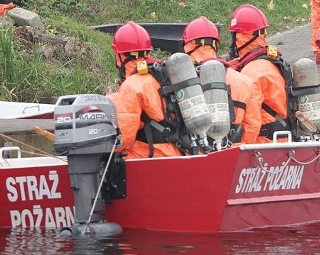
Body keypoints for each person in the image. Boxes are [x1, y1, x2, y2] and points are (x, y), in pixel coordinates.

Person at [182, 16, 262, 145]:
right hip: (233, 152)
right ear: (215, 46)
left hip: (198, 155)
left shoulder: (185, 82)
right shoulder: (245, 81)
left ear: (188, 45)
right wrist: (237, 150)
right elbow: (253, 125)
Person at [108, 21, 182, 159]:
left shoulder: (131, 86)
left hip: (152, 156)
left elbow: (123, 139)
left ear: (119, 56)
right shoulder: (163, 74)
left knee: (110, 158)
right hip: (180, 150)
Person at [227, 4, 290, 143]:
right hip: (281, 140)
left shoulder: (252, 73)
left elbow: (252, 123)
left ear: (240, 36)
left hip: (265, 144)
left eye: (234, 36)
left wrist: (241, 150)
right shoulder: (268, 62)